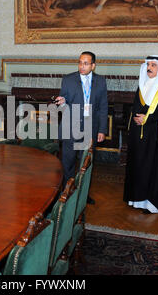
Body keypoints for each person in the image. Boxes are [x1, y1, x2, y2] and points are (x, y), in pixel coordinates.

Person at [123, 55, 158, 214]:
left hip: (157, 139)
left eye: (153, 65)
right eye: (148, 64)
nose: (149, 68)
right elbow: (136, 107)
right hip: (140, 138)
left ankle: (153, 204)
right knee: (139, 167)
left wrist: (147, 118)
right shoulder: (142, 84)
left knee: (154, 169)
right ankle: (137, 200)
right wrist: (135, 118)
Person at [55, 51, 108, 204]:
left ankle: (83, 195)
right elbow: (62, 105)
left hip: (91, 128)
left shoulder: (100, 81)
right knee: (68, 163)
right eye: (80, 62)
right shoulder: (68, 79)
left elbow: (103, 107)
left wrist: (102, 130)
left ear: (93, 65)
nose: (81, 66)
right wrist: (62, 103)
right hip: (70, 126)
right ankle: (67, 195)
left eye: (85, 63)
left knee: (85, 164)